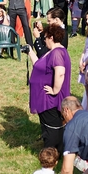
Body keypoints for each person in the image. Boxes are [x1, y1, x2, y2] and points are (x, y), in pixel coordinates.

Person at [27, 22, 71, 151]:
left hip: (50, 99)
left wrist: (54, 90)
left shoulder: (57, 53)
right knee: (50, 125)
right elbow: (39, 65)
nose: (44, 40)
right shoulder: (53, 51)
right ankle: (55, 150)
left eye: (45, 37)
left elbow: (60, 72)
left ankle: (50, 152)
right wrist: (30, 52)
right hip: (46, 97)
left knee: (52, 127)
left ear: (51, 37)